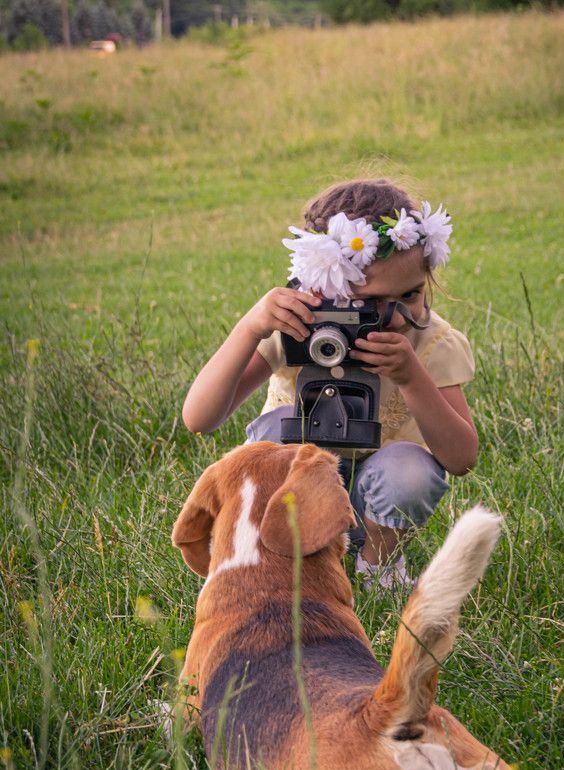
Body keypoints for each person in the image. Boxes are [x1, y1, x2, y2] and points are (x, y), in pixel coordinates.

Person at [182, 178, 478, 588]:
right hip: (293, 501)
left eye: (410, 294)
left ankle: (379, 565)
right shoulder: (299, 330)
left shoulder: (430, 342)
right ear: (322, 288)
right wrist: (250, 328)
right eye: (370, 302)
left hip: (376, 506)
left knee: (411, 467)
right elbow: (199, 417)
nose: (392, 315)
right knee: (274, 431)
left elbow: (462, 458)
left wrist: (411, 377)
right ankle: (282, 560)